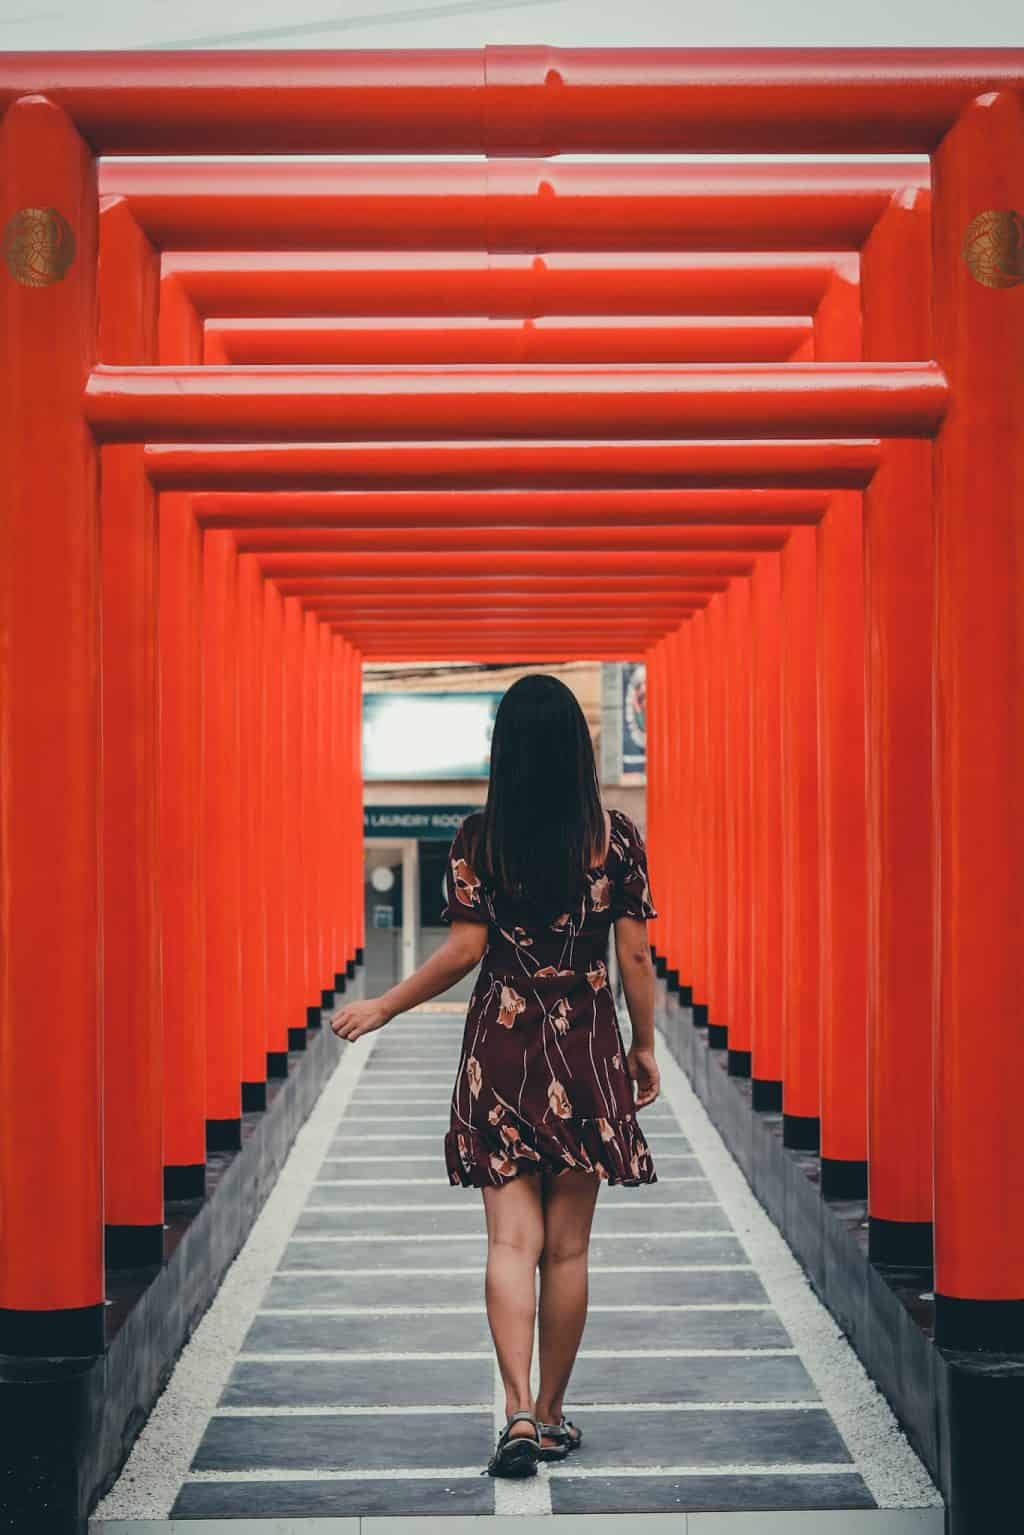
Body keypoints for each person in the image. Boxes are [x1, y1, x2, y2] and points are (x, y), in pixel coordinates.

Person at [332, 672, 661, 1479]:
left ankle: (515, 1409)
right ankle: (551, 1416)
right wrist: (642, 1045)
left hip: (502, 1050)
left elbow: (465, 952)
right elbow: (636, 955)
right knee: (569, 1251)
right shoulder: (614, 838)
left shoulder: (479, 840)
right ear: (581, 751)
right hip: (584, 1046)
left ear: (503, 749)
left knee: (511, 1241)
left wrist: (384, 1005)